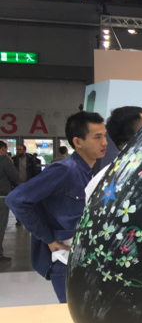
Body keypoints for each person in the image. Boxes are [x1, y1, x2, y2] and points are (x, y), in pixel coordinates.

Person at [6, 112, 108, 302]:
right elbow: (16, 199)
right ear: (77, 142)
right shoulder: (64, 170)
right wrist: (48, 238)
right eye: (97, 137)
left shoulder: (90, 174)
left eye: (104, 136)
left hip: (87, 260)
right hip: (66, 262)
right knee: (72, 317)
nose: (104, 142)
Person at [0, 141, 20, 261]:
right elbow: (15, 177)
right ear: (2, 148)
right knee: (0, 225)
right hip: (2, 196)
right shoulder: (4, 160)